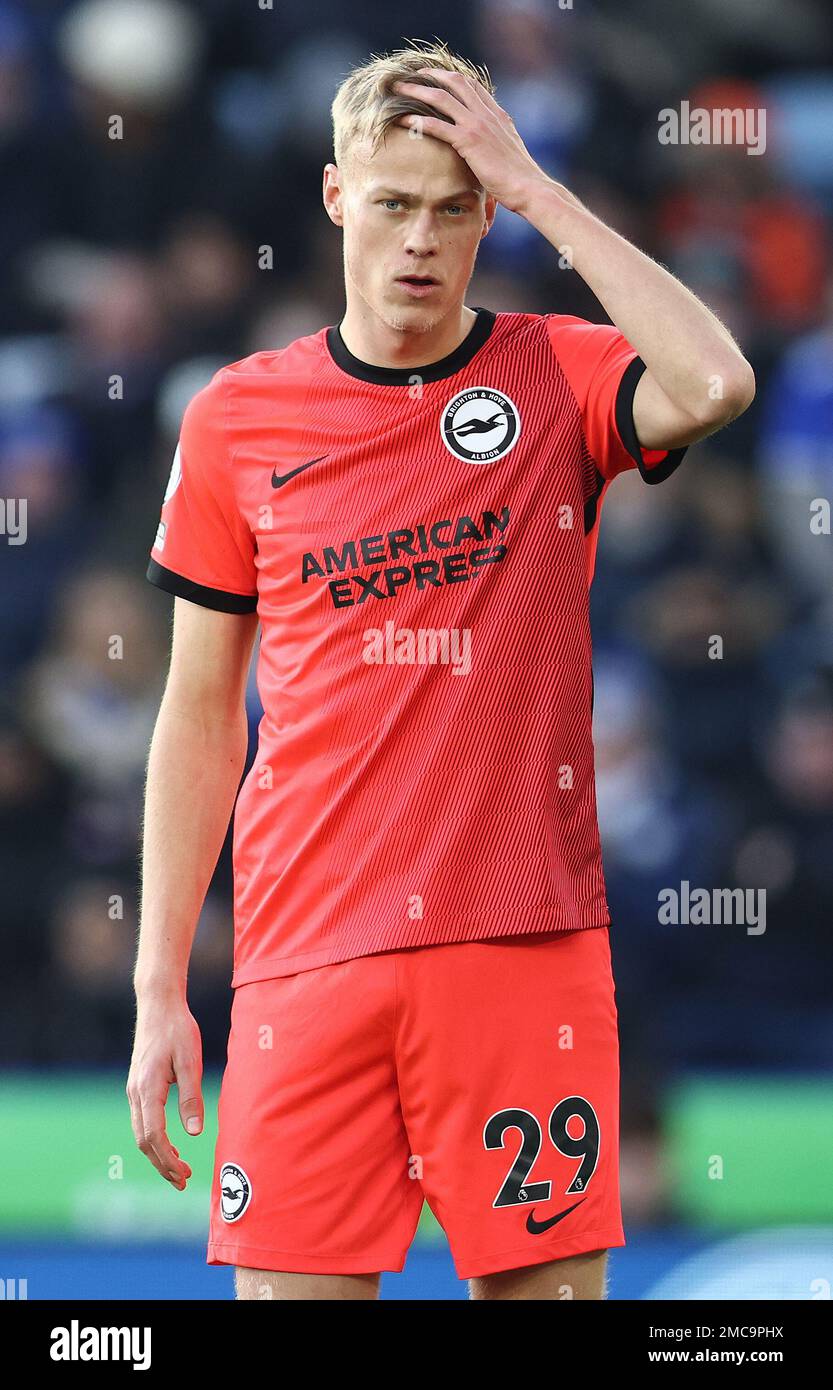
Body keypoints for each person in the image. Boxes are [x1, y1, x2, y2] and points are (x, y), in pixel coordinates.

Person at [127, 39, 755, 1301]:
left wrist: (540, 192)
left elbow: (714, 379)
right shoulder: (238, 418)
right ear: (334, 195)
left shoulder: (557, 371)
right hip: (305, 960)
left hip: (522, 953)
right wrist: (158, 987)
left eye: (457, 209)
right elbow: (199, 715)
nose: (421, 239)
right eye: (395, 201)